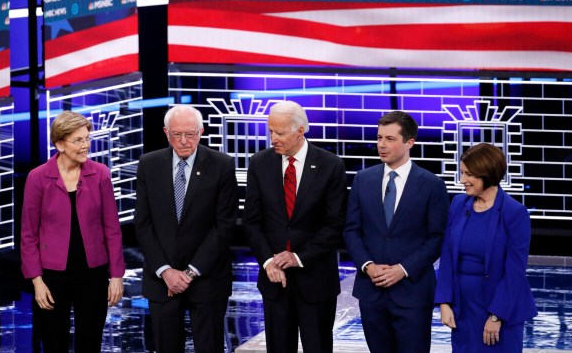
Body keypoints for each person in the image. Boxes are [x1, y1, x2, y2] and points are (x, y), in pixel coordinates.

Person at [243, 101, 347, 353]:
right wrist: (268, 262)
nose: (273, 138)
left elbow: (335, 225)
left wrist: (298, 257)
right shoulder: (259, 163)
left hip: (316, 279)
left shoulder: (330, 165)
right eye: (270, 131)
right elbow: (252, 222)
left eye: (280, 132)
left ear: (300, 131)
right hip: (274, 281)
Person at [134, 104, 239, 353]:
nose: (183, 141)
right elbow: (143, 223)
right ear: (166, 133)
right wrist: (166, 271)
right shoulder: (149, 164)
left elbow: (224, 225)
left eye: (190, 134)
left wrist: (190, 272)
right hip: (162, 280)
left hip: (207, 278)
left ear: (201, 132)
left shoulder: (222, 165)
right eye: (176, 134)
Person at [343, 110, 449, 353]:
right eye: (379, 138)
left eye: (390, 139)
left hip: (412, 293)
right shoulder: (362, 179)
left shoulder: (432, 185)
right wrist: (368, 265)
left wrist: (403, 269)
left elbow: (437, 237)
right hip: (371, 292)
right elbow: (351, 230)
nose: (382, 145)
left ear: (409, 142)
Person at [20, 110, 125, 352]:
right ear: (59, 144)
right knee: (54, 343)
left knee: (90, 343)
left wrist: (117, 276)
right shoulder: (38, 178)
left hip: (93, 273)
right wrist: (37, 281)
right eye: (78, 140)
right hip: (51, 276)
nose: (85, 145)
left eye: (87, 138)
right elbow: (28, 235)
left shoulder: (100, 174)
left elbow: (112, 228)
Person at [435, 143, 537, 351]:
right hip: (462, 308)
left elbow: (515, 270)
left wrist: (496, 315)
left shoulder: (514, 213)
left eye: (469, 174)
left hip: (501, 308)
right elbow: (446, 254)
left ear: (488, 175)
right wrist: (444, 302)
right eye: (462, 173)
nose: (462, 180)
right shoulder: (458, 204)